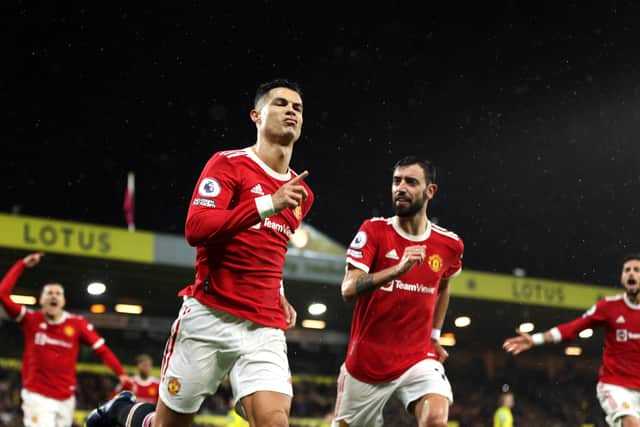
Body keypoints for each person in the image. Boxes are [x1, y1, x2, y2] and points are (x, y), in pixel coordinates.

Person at [86, 78, 313, 427]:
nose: (291, 111)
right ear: (256, 115)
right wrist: (267, 203)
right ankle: (125, 411)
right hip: (210, 315)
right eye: (281, 103)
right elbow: (197, 229)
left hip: (263, 326)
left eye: (297, 107)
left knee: (274, 422)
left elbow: (272, 245)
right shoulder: (228, 165)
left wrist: (280, 291)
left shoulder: (302, 194)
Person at [331, 156, 465, 427]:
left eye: (411, 182)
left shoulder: (449, 244)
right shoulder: (374, 231)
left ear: (430, 191)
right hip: (368, 363)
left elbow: (444, 284)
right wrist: (396, 269)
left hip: (418, 357)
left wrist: (435, 335)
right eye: (396, 181)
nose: (400, 188)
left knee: (436, 419)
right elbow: (348, 289)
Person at [503, 253, 640, 427]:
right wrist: (536, 339)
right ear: (622, 278)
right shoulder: (609, 306)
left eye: (637, 270)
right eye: (627, 270)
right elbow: (573, 327)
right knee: (632, 423)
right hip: (616, 386)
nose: (631, 274)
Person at [0, 252, 129, 427]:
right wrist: (21, 264)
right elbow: (2, 294)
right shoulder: (30, 320)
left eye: (58, 293)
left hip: (66, 400)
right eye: (49, 293)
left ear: (63, 300)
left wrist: (121, 373)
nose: (53, 296)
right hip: (37, 397)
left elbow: (102, 350)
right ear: (41, 299)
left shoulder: (77, 324)